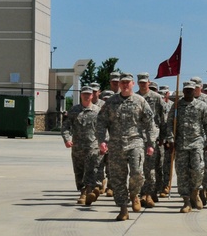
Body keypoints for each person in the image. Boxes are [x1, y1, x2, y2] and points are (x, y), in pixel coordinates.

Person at [96, 73, 158, 221]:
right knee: (118, 178)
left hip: (135, 142)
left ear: (133, 84)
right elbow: (101, 121)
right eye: (122, 82)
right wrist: (102, 140)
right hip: (116, 144)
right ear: (119, 84)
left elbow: (150, 123)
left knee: (137, 173)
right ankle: (123, 208)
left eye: (127, 82)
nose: (125, 85)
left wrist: (151, 143)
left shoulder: (140, 101)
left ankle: (134, 194)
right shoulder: (111, 102)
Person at [164, 81, 207, 213]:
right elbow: (170, 124)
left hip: (197, 143)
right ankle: (186, 201)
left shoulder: (201, 105)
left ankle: (195, 191)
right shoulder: (176, 106)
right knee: (182, 174)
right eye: (186, 90)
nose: (188, 92)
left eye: (191, 90)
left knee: (198, 170)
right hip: (181, 144)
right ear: (183, 90)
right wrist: (170, 139)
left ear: (194, 91)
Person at [61, 86, 102, 204]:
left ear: (92, 96)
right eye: (84, 94)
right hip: (77, 147)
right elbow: (65, 127)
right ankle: (83, 190)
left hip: (92, 146)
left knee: (91, 169)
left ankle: (87, 192)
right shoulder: (74, 110)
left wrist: (104, 142)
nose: (86, 96)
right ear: (81, 95)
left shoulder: (98, 111)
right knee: (79, 171)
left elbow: (103, 128)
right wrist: (67, 139)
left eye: (89, 94)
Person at [136, 72, 167, 208]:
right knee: (139, 167)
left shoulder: (156, 97)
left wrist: (163, 137)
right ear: (138, 83)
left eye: (145, 82)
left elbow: (163, 119)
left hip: (152, 137)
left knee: (151, 167)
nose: (143, 84)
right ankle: (142, 193)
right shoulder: (134, 97)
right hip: (137, 137)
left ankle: (149, 193)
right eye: (141, 82)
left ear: (149, 82)